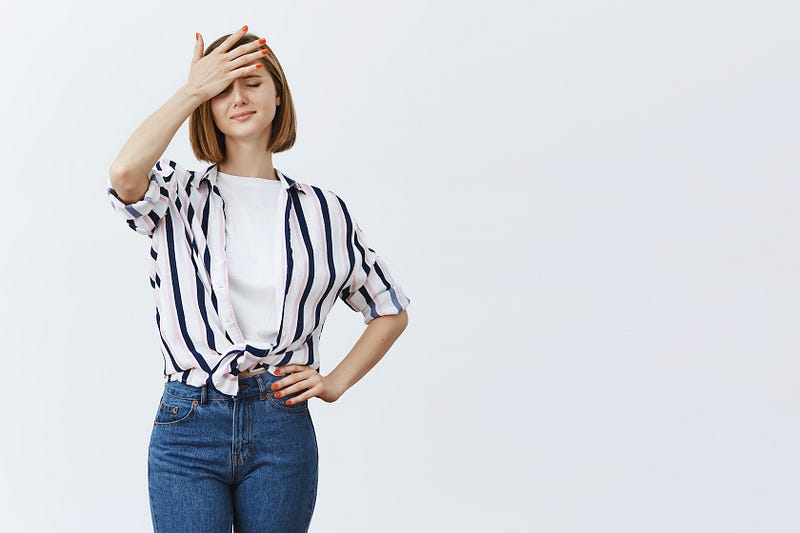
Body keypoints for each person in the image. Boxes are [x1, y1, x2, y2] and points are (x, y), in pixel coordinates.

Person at [105, 25, 411, 533]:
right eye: (222, 88)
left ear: (277, 94)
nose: (238, 97)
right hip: (189, 424)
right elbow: (123, 175)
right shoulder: (177, 196)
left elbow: (390, 309)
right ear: (207, 106)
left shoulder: (323, 211)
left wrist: (334, 382)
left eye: (251, 81)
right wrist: (192, 88)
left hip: (281, 424)